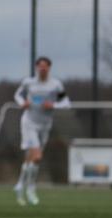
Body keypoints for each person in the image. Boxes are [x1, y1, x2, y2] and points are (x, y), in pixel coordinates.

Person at [13, 57, 70, 206]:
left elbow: (66, 102)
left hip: (45, 125)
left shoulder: (55, 85)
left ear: (49, 68)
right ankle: (31, 188)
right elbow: (17, 95)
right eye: (40, 66)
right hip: (29, 123)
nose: (42, 69)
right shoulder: (29, 83)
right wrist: (22, 103)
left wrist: (53, 105)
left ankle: (19, 185)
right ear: (36, 68)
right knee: (37, 156)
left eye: (45, 66)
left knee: (30, 158)